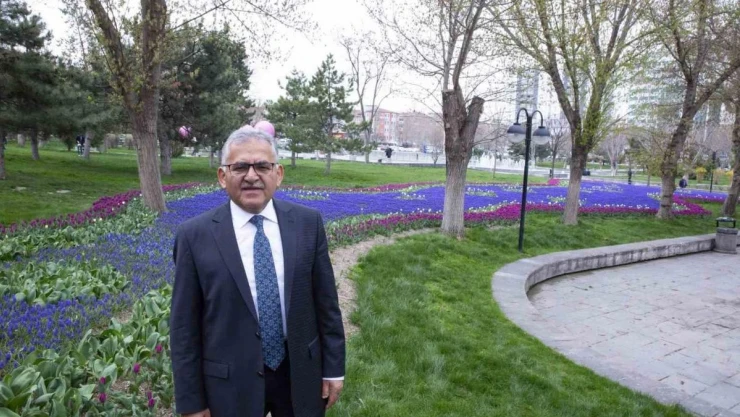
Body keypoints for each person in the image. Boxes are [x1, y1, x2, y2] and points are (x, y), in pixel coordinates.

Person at [170, 126, 345, 417]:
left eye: (262, 166)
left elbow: (327, 304)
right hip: (229, 384)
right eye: (240, 167)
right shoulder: (193, 236)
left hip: (300, 375)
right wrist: (191, 401)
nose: (251, 176)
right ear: (222, 176)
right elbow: (183, 327)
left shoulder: (308, 224)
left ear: (278, 173)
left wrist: (334, 369)